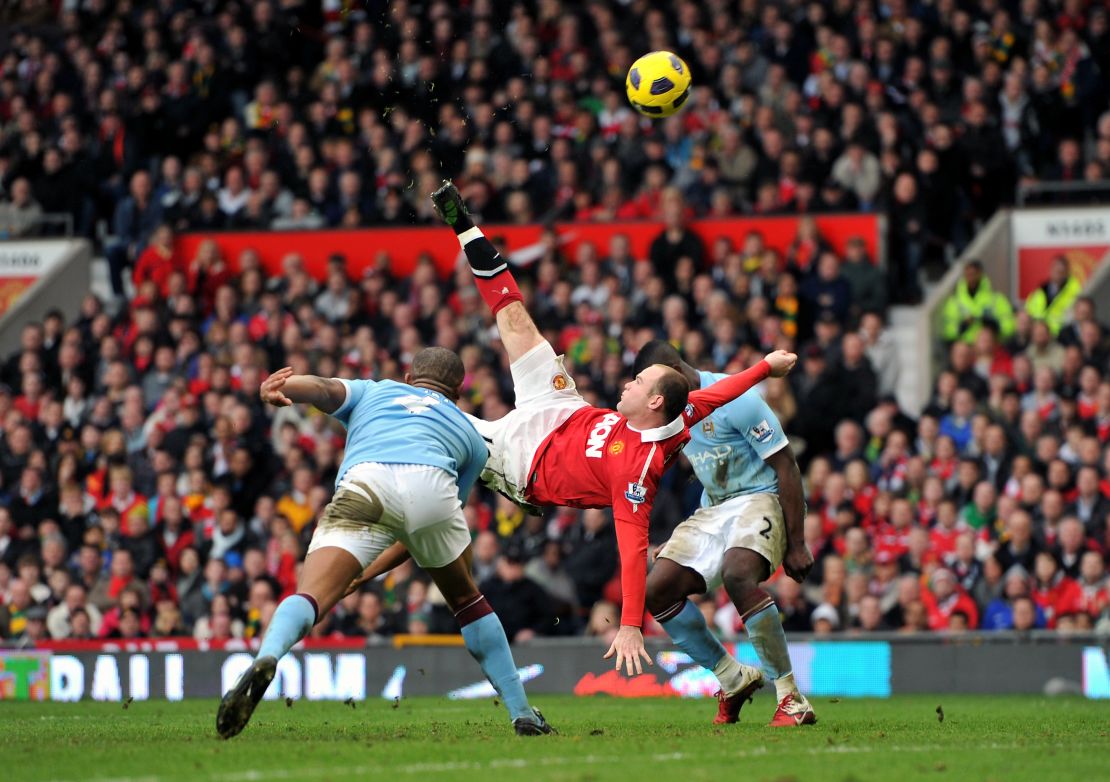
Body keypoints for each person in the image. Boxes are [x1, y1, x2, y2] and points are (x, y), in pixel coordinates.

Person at [423, 180, 797, 675]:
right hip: (560, 407)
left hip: (524, 461)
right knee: (515, 319)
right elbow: (722, 391)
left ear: (654, 400)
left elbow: (630, 548)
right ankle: (463, 223)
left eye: (637, 381)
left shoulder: (635, 474)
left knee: (428, 412)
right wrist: (765, 366)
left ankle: (347, 398)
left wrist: (630, 624)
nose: (626, 382)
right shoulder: (679, 414)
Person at [216, 347, 552, 739]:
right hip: (433, 486)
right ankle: (522, 712)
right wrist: (367, 573)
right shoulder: (471, 436)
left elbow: (323, 388)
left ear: (409, 377)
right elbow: (419, 532)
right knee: (468, 601)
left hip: (367, 480)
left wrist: (281, 386)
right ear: (458, 393)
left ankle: (267, 657)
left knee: (311, 595)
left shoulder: (376, 391)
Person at [634, 340, 816, 727]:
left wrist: (796, 542)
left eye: (652, 388)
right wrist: (690, 536)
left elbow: (786, 466)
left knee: (737, 574)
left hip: (761, 498)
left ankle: (791, 697)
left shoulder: (736, 399)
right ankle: (732, 679)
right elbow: (709, 475)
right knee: (657, 589)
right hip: (715, 507)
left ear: (672, 373)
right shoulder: (671, 414)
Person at [941, 260, 1015, 344]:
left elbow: (1009, 328)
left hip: (991, 344)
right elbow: (949, 332)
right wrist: (964, 325)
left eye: (973, 274)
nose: (970, 278)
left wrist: (993, 324)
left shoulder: (996, 299)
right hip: (966, 345)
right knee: (960, 349)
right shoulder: (954, 301)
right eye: (967, 275)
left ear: (980, 274)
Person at [1025, 256, 1083, 336]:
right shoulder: (1040, 291)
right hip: (1038, 335)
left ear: (1067, 272)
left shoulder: (1075, 291)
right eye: (1055, 270)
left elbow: (1074, 318)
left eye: (1061, 271)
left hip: (1062, 336)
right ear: (1050, 270)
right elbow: (1028, 311)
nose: (1058, 274)